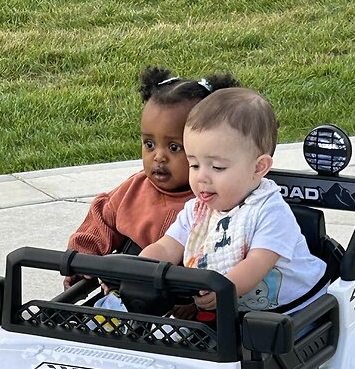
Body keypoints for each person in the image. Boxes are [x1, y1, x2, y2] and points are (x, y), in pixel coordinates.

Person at [136, 87, 327, 314]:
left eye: (217, 167)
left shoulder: (271, 213)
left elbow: (256, 265)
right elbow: (167, 247)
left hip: (297, 310)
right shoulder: (197, 211)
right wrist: (137, 270)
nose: (201, 177)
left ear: (258, 167)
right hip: (238, 315)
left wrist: (222, 289)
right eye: (194, 164)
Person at [63, 66, 240, 290]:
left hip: (189, 307)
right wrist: (82, 259)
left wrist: (193, 299)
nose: (159, 157)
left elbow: (227, 256)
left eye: (174, 147)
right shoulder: (133, 190)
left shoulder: (217, 202)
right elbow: (101, 221)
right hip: (127, 298)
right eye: (149, 144)